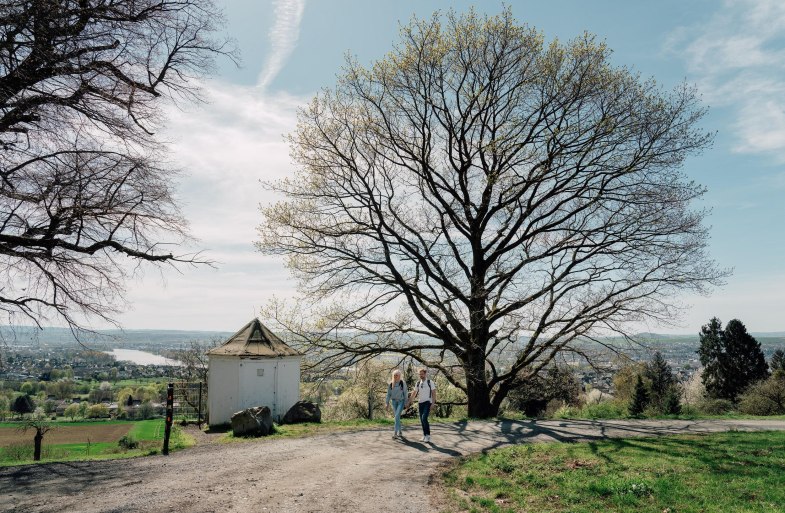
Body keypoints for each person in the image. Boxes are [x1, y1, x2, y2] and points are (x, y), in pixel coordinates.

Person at [409, 367, 436, 442]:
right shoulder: (418, 383)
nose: (421, 375)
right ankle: (424, 435)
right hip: (420, 403)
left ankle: (428, 435)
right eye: (420, 374)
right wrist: (410, 401)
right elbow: (414, 393)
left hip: (428, 402)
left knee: (424, 418)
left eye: (422, 374)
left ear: (425, 374)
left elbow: (434, 393)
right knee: (421, 419)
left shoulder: (430, 382)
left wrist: (433, 403)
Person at [385, 368, 408, 439]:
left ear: (400, 376)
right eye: (394, 375)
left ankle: (395, 433)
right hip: (394, 402)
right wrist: (387, 403)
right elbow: (388, 394)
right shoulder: (391, 384)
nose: (395, 376)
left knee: (396, 416)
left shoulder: (402, 383)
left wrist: (406, 402)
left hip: (401, 401)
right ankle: (400, 431)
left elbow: (405, 393)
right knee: (397, 417)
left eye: (397, 375)